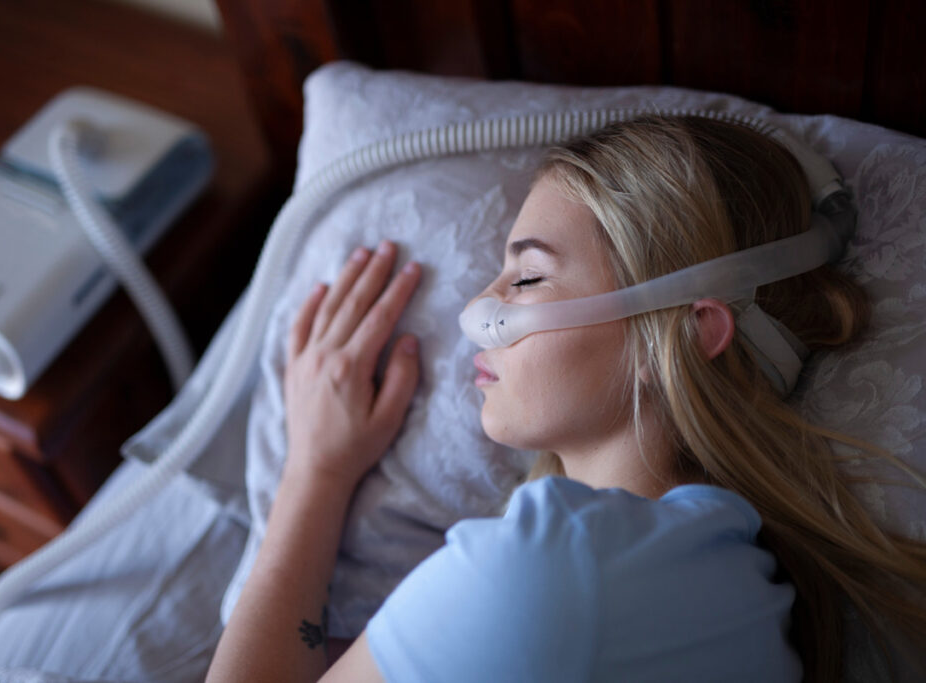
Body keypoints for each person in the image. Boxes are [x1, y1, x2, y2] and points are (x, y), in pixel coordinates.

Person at [206, 116, 926, 682]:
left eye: (527, 279)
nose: (477, 310)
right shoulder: (740, 581)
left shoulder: (549, 565)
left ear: (688, 332)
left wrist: (316, 468)